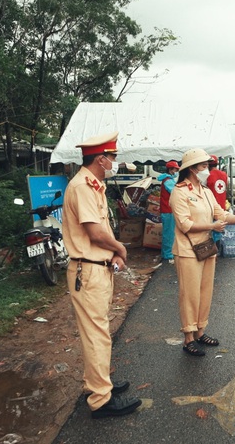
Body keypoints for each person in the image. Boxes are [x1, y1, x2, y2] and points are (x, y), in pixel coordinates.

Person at [62, 131, 142, 419]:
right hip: (88, 269)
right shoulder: (82, 186)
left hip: (97, 268)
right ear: (100, 159)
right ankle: (100, 400)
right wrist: (121, 248)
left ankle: (98, 384)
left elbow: (101, 232)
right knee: (96, 335)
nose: (115, 162)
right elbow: (95, 233)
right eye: (113, 157)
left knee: (99, 332)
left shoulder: (93, 186)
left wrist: (114, 254)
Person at [169, 148, 235, 356]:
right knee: (189, 295)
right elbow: (184, 224)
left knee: (205, 292)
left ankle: (200, 332)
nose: (207, 170)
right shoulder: (180, 192)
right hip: (188, 250)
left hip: (206, 248)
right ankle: (188, 338)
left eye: (207, 166)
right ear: (191, 169)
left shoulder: (206, 192)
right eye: (203, 166)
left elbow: (222, 214)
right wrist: (211, 226)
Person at [157, 160, 180, 264]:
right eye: (175, 169)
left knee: (168, 232)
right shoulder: (168, 180)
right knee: (169, 233)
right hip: (168, 210)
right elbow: (175, 192)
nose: (176, 171)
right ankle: (168, 255)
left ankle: (166, 253)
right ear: (171, 170)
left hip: (167, 209)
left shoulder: (168, 179)